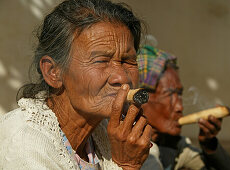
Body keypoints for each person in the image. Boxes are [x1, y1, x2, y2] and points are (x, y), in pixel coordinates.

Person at [0, 0, 152, 169]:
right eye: (101, 60)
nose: (121, 78)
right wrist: (126, 165)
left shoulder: (105, 137)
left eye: (127, 61)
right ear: (53, 72)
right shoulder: (25, 145)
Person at [138, 45, 230, 170]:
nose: (180, 107)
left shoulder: (172, 144)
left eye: (179, 94)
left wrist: (209, 144)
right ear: (142, 99)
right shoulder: (117, 144)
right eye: (170, 94)